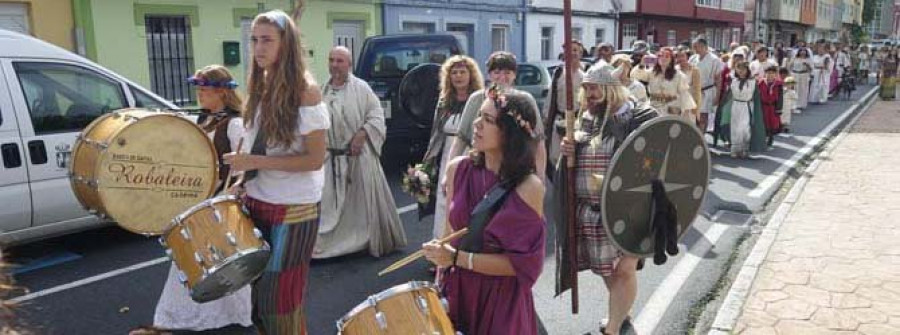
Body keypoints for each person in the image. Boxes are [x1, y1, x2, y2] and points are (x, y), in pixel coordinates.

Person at [222, 10, 329, 334]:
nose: (258, 48)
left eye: (267, 40)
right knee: (255, 300)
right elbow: (256, 146)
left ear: (287, 43)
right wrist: (241, 181)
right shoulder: (260, 84)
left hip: (294, 208)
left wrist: (255, 164)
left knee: (281, 303)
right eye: (254, 40)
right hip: (257, 202)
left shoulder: (306, 92)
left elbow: (315, 160)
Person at [130, 65, 251, 335]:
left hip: (218, 204)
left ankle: (230, 315)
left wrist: (229, 196)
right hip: (198, 202)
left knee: (218, 262)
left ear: (222, 92)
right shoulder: (203, 120)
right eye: (198, 89)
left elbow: (243, 170)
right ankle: (188, 317)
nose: (199, 94)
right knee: (192, 262)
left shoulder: (234, 123)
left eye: (204, 89)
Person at [423, 86, 546, 335]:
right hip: (458, 292)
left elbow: (521, 265)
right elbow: (451, 235)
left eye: (488, 119)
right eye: (479, 115)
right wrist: (440, 275)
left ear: (509, 132)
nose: (476, 124)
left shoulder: (528, 187)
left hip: (501, 300)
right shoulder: (457, 169)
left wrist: (457, 259)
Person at [558, 63, 659, 335]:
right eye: (587, 88)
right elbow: (578, 160)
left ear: (611, 89)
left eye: (595, 87)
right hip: (592, 211)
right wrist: (570, 148)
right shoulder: (585, 118)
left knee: (625, 269)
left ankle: (612, 328)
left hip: (629, 210)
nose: (589, 93)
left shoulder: (637, 118)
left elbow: (653, 163)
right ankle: (621, 315)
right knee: (608, 272)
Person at [315, 46, 407, 259]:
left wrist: (363, 133)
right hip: (331, 159)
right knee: (329, 207)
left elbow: (376, 115)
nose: (335, 65)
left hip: (358, 157)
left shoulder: (362, 88)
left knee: (359, 208)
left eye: (340, 61)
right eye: (332, 60)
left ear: (349, 64)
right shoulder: (322, 91)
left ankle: (360, 242)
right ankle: (333, 246)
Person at [448, 51, 547, 179]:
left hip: (516, 168)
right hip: (482, 168)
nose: (502, 77)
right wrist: (449, 173)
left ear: (514, 75)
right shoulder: (477, 99)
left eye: (507, 73)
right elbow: (460, 139)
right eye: (497, 72)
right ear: (489, 75)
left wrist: (540, 177)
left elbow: (537, 141)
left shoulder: (525, 100)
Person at [421, 55, 484, 241]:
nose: (458, 76)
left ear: (471, 74)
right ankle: (441, 248)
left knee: (469, 200)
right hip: (448, 155)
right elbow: (436, 134)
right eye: (454, 72)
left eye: (462, 72)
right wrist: (426, 165)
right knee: (444, 201)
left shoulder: (479, 100)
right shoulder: (444, 102)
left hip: (471, 154)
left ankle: (465, 248)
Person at [631, 47, 697, 123]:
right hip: (653, 110)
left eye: (666, 56)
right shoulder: (652, 73)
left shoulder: (679, 76)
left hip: (671, 111)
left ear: (671, 59)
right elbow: (635, 76)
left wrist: (686, 118)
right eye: (661, 56)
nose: (663, 58)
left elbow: (685, 96)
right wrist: (642, 64)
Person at [717, 61, 766, 158]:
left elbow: (756, 97)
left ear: (747, 70)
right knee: (735, 127)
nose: (741, 71)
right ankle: (735, 149)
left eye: (743, 69)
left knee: (744, 127)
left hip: (746, 105)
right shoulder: (734, 81)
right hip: (736, 105)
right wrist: (721, 106)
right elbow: (728, 95)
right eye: (739, 69)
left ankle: (745, 149)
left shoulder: (752, 82)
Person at [690, 37, 724, 135]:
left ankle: (701, 137)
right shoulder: (693, 58)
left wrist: (717, 96)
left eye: (696, 47)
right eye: (694, 47)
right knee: (693, 115)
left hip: (707, 91)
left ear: (703, 46)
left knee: (703, 116)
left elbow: (718, 79)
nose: (694, 49)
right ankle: (695, 135)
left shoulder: (714, 59)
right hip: (694, 91)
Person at [676, 46, 702, 127]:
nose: (680, 59)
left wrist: (696, 106)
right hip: (676, 103)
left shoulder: (694, 70)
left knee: (689, 126)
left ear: (687, 56)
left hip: (689, 103)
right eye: (678, 56)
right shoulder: (674, 70)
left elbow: (697, 90)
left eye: (682, 56)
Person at [758, 66, 783, 146]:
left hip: (773, 107)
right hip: (763, 106)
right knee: (764, 122)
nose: (770, 75)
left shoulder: (778, 84)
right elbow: (758, 95)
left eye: (772, 73)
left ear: (775, 74)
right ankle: (764, 137)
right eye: (768, 73)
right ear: (765, 74)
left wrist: (779, 108)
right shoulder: (761, 83)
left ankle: (770, 137)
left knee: (772, 123)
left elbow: (780, 97)